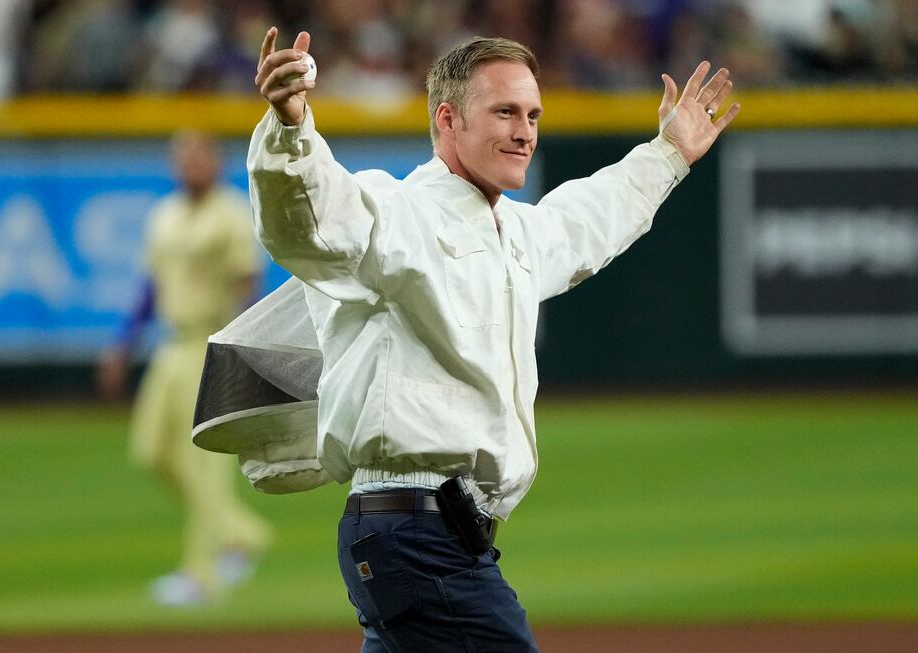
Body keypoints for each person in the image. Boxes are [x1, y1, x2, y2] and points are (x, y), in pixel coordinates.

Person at [249, 26, 738, 651]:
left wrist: (668, 153)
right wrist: (291, 130)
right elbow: (310, 219)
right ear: (447, 119)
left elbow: (586, 220)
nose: (525, 131)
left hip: (427, 536)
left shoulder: (509, 231)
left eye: (533, 114)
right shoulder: (398, 211)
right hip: (417, 534)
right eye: (505, 111)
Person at [98, 129, 273, 606]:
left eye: (199, 157)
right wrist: (121, 346)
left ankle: (202, 576)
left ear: (217, 162)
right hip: (171, 347)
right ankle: (242, 533)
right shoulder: (165, 215)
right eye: (182, 158)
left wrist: (246, 355)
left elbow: (247, 288)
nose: (189, 165)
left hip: (212, 344)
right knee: (151, 453)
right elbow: (150, 288)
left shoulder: (231, 215)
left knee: (204, 465)